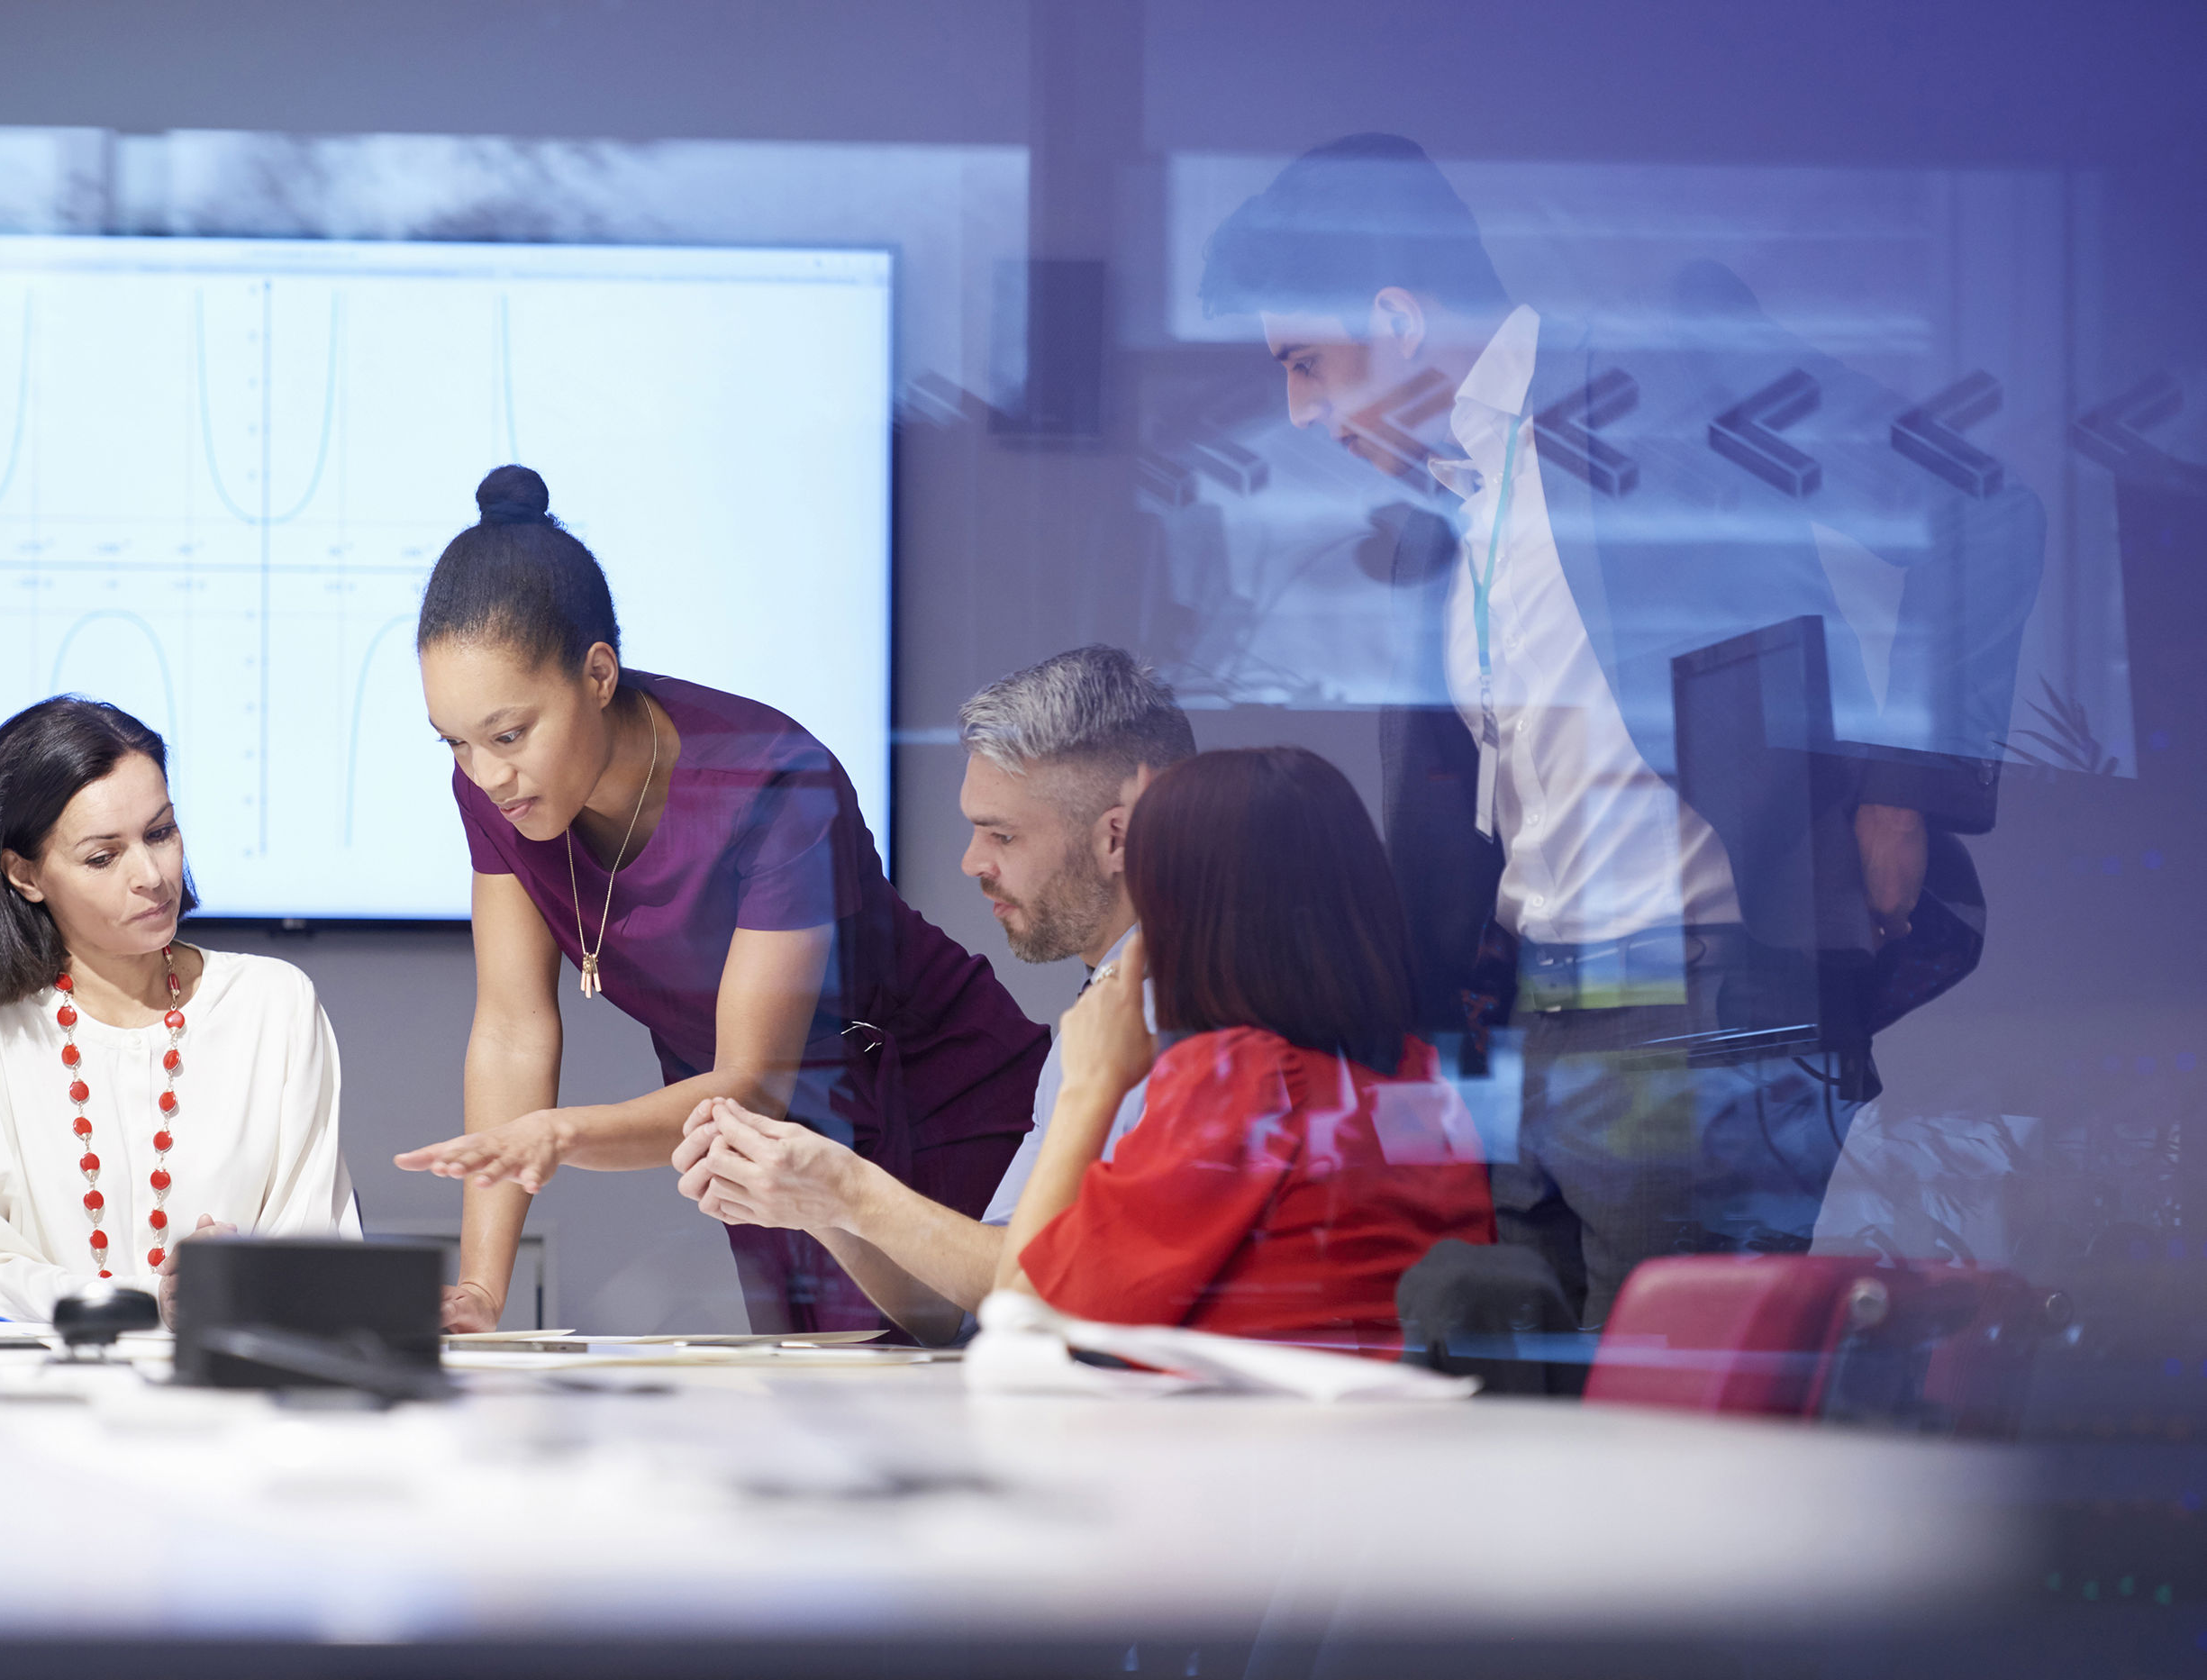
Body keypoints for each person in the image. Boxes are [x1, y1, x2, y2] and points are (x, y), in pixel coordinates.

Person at [1199, 134, 2044, 1328]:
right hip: (1529, 1031)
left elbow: (1980, 511)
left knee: (1662, 1439)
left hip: (1693, 1013)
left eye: (1305, 363)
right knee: (1523, 1432)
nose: (1299, 411)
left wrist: (1901, 789)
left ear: (1393, 317)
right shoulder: (1445, 511)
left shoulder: (1665, 382)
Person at [393, 466, 1047, 1337]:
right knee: (824, 1418)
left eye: (508, 735)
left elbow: (752, 1081)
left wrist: (558, 1135)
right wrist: (480, 1287)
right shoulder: (494, 785)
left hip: (927, 1093)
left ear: (597, 673)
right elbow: (513, 1028)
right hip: (750, 1142)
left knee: (978, 1383)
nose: (485, 774)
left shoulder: (768, 780)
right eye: (456, 743)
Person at [668, 646, 1194, 1342]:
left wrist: (851, 1189)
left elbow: (1036, 1293)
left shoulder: (1186, 1022)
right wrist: (819, 1202)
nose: (973, 861)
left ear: (1116, 837)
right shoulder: (1099, 1017)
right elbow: (971, 1305)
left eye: (1002, 834)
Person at [993, 747, 1494, 1342]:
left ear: (1188, 920)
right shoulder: (1420, 1080)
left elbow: (1021, 1318)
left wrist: (1089, 1086)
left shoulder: (1243, 1084)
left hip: (1252, 1431)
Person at [0, 697, 357, 1321]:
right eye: (102, 856)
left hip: (231, 1396)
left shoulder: (274, 1006)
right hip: (30, 1398)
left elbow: (319, 1255)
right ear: (25, 876)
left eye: (161, 833)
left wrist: (246, 1277)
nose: (152, 874)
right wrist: (149, 1302)